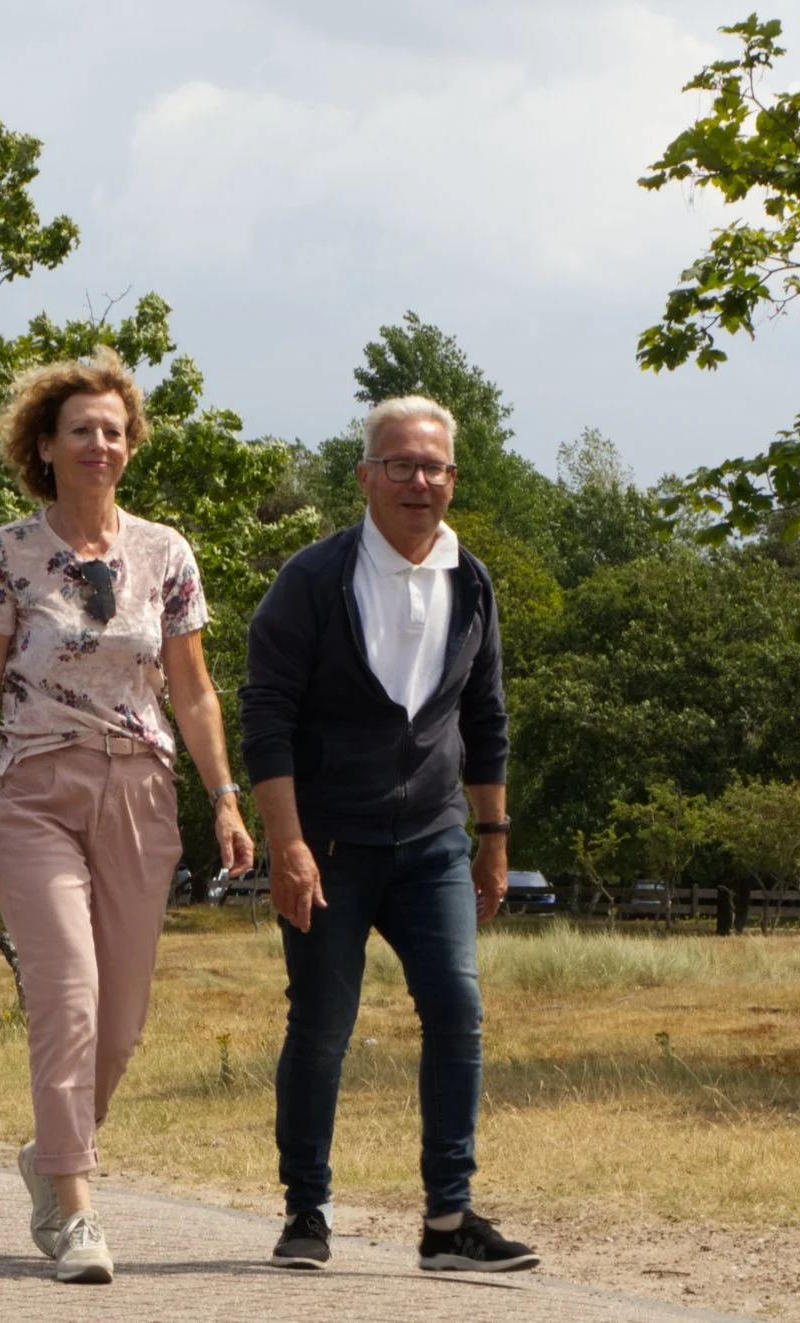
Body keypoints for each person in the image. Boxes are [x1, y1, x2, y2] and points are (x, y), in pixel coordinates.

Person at [0, 347, 255, 1285]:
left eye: (115, 430)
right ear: (44, 445)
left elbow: (195, 693)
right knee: (68, 998)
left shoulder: (166, 552)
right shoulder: (8, 552)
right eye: (81, 429)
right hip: (37, 789)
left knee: (118, 1026)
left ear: (131, 447)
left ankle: (48, 1153)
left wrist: (226, 799)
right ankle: (75, 1210)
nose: (100, 442)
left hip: (142, 794)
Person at [239, 394, 541, 1274]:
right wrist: (287, 844)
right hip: (329, 844)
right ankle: (306, 1211)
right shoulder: (312, 579)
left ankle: (449, 1223)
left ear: (453, 478)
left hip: (434, 839)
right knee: (323, 1024)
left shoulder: (470, 579)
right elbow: (267, 718)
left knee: (457, 1007)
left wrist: (493, 836)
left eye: (435, 467)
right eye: (402, 464)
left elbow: (486, 718)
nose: (420, 481)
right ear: (366, 475)